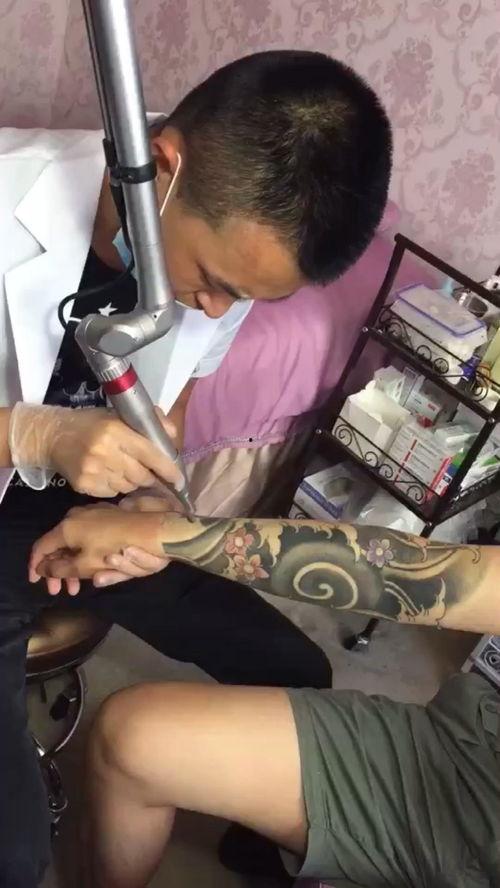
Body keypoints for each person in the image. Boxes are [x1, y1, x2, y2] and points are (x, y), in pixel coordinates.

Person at [0, 50, 392, 886]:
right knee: (14, 855)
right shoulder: (6, 196)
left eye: (240, 297)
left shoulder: (225, 268)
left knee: (300, 676)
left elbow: (167, 414)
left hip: (89, 514)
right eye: (212, 282)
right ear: (162, 170)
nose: (213, 309)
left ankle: (256, 855)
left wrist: (146, 508)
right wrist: (31, 436)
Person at [31, 505, 500, 888]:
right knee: (132, 737)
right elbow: (429, 575)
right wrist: (158, 533)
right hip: (471, 744)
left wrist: (159, 534)